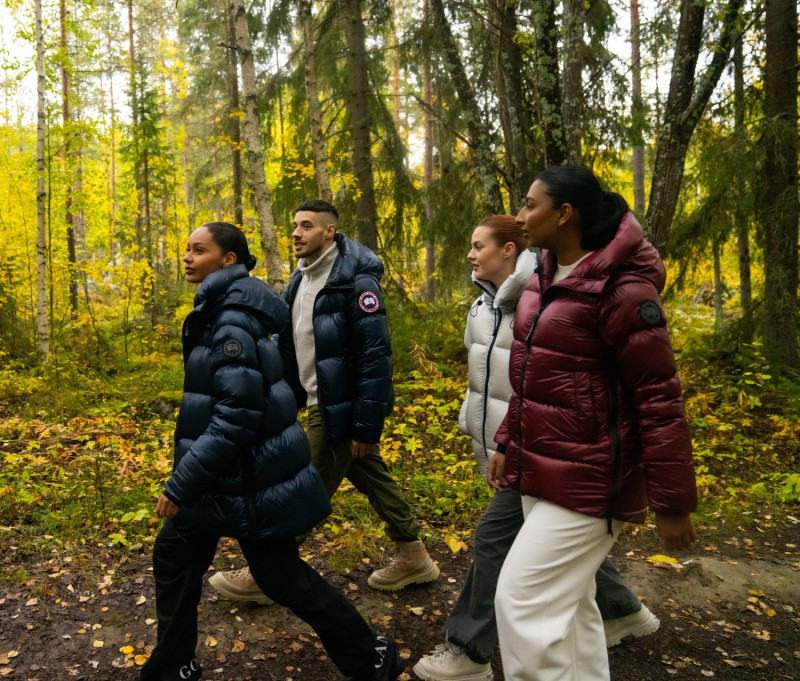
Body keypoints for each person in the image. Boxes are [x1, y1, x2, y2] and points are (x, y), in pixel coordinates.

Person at [141, 222, 405, 681]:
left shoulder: (230, 320)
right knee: (176, 557)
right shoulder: (221, 307)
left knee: (281, 576)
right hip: (225, 474)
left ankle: (370, 655)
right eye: (186, 248)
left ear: (228, 261)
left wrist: (183, 483)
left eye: (198, 250)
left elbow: (236, 417)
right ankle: (173, 666)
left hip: (245, 478)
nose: (186, 257)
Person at [412, 216, 659, 681]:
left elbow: (553, 383)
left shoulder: (544, 299)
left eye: (478, 244)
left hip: (548, 449)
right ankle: (624, 611)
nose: (470, 254)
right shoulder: (484, 305)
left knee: (494, 541)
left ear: (509, 250)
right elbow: (488, 382)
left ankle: (469, 651)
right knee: (545, 541)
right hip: (510, 449)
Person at [488, 166, 697, 681]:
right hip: (541, 465)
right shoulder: (541, 276)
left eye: (530, 205)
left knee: (523, 600)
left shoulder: (624, 291)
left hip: (594, 478)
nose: (520, 216)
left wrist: (672, 502)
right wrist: (506, 440)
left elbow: (659, 399)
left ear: (565, 214)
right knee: (573, 607)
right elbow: (533, 376)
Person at [209, 200, 438, 603]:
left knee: (303, 490)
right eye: (295, 225)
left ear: (329, 232)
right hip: (318, 402)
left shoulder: (356, 283)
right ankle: (414, 555)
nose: (296, 233)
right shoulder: (301, 279)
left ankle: (266, 574)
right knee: (373, 478)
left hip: (340, 410)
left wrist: (365, 425)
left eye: (307, 226)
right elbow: (288, 343)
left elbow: (374, 356)